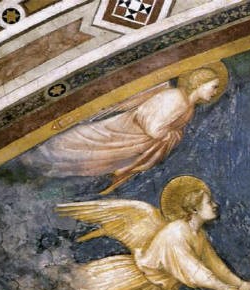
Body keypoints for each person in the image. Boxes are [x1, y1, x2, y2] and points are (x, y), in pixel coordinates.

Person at [56, 175, 250, 290]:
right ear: (194, 209)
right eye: (209, 202)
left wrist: (241, 285)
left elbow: (214, 266)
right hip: (127, 278)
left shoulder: (197, 234)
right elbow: (193, 270)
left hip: (147, 289)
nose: (215, 205)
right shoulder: (176, 232)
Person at [26, 62, 229, 194]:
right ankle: (34, 161)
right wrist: (171, 134)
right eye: (213, 86)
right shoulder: (175, 97)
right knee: (74, 146)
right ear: (199, 81)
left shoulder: (189, 109)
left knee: (86, 163)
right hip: (118, 133)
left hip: (130, 145)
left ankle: (41, 173)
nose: (215, 92)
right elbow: (151, 126)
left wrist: (173, 134)